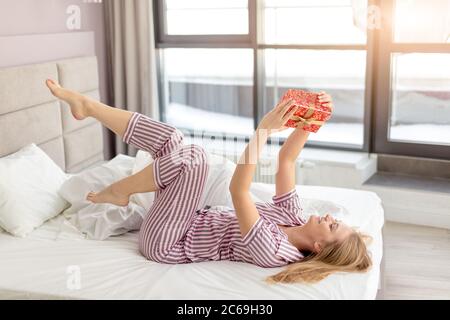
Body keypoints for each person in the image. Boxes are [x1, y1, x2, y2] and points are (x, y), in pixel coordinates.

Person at [45, 79, 372, 284]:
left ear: (317, 248)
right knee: (173, 141)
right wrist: (312, 120)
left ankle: (119, 191)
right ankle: (88, 106)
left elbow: (238, 189)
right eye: (335, 220)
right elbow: (287, 161)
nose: (329, 218)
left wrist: (263, 131)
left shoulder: (273, 250)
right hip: (184, 219)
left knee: (195, 158)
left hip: (167, 243)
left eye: (331, 227)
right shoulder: (295, 218)